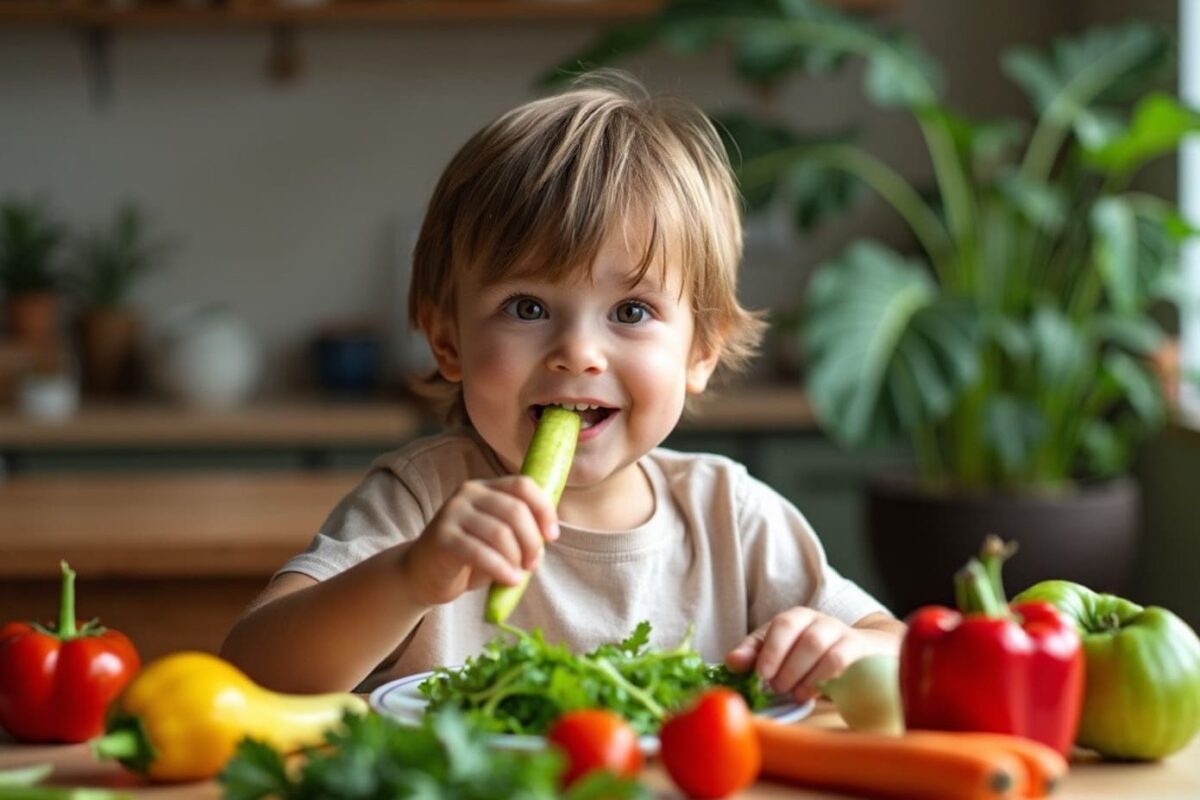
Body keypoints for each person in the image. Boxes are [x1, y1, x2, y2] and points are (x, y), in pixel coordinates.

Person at [220, 71, 904, 701]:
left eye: (631, 312)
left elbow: (902, 653)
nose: (577, 353)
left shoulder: (733, 518)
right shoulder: (423, 506)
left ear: (701, 349)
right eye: (527, 308)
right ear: (448, 339)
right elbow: (251, 673)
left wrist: (842, 649)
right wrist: (409, 579)